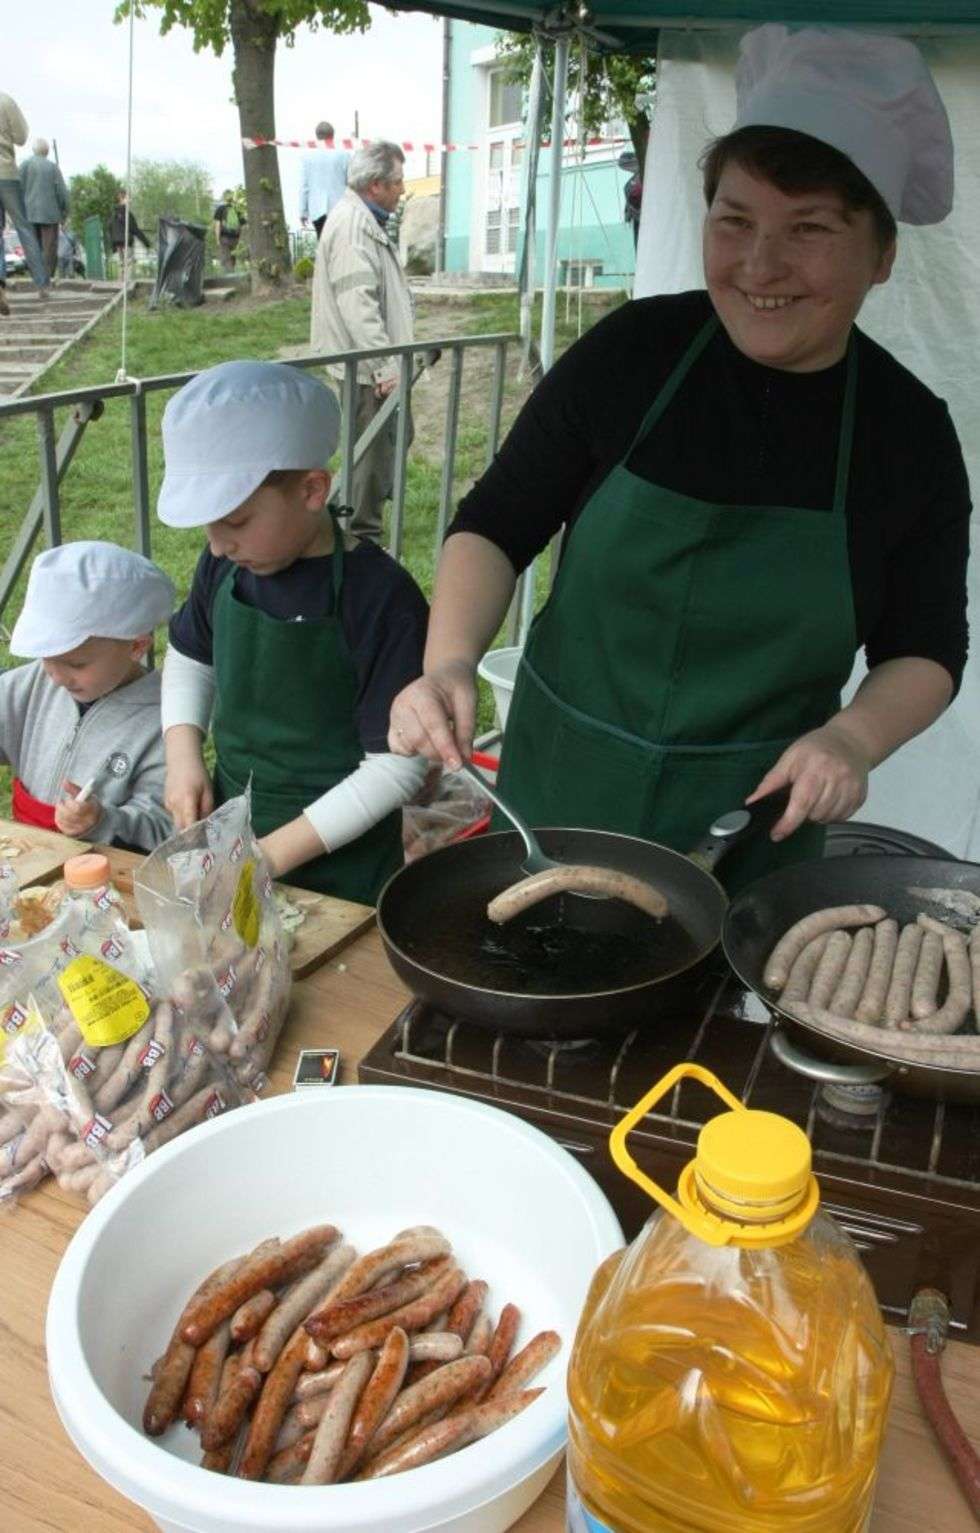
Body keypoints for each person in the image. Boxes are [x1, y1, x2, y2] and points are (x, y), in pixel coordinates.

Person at [388, 25, 971, 892]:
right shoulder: (633, 354)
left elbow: (925, 648)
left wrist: (853, 738)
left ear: (881, 255)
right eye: (734, 220)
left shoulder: (908, 433)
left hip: (745, 839)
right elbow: (496, 525)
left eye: (808, 228)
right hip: (552, 806)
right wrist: (446, 663)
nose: (760, 264)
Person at [157, 360, 429, 902]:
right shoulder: (224, 566)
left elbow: (398, 769)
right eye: (208, 525)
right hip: (234, 838)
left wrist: (268, 858)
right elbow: (190, 657)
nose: (216, 544)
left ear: (311, 489)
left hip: (342, 872)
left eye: (234, 522)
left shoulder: (381, 599)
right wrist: (182, 756)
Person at [1, 542, 175, 850]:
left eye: (76, 664)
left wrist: (102, 820)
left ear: (136, 646)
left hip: (102, 878)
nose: (55, 677)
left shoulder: (164, 722)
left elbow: (164, 826)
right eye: (46, 658)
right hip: (26, 854)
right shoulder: (34, 683)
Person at [311, 142, 413, 546]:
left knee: (392, 441)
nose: (402, 190)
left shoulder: (360, 219)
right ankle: (359, 539)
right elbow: (359, 307)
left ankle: (358, 524)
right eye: (397, 182)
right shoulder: (353, 226)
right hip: (368, 371)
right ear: (375, 186)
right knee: (370, 457)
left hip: (373, 365)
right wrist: (385, 367)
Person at [0, 90, 51, 308]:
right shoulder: (5, 101)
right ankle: (41, 283)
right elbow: (21, 138)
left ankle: (0, 285)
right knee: (23, 227)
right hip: (7, 173)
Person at [19, 138, 68, 280]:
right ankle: (47, 280)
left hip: (29, 214)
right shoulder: (53, 167)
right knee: (49, 250)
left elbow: (17, 190)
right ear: (47, 152)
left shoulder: (24, 166)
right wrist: (64, 213)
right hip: (50, 215)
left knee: (33, 247)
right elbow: (62, 193)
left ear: (34, 150)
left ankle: (37, 279)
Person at [300, 121, 351, 238]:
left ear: (316, 136)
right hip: (339, 208)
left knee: (322, 242)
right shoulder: (344, 155)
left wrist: (303, 212)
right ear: (333, 135)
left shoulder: (307, 158)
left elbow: (304, 187)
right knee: (340, 243)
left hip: (317, 209)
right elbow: (351, 182)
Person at [110, 189, 151, 260]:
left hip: (118, 245)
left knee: (122, 266)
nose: (130, 200)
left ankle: (123, 269)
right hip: (126, 243)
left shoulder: (114, 214)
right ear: (121, 198)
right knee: (129, 264)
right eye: (128, 198)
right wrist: (147, 243)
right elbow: (135, 230)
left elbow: (110, 228)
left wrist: (113, 246)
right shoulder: (126, 214)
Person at [212, 189, 245, 271]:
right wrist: (240, 238)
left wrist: (217, 240)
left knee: (226, 260)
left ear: (224, 198)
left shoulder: (220, 209)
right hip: (235, 238)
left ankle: (230, 277)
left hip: (224, 239)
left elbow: (217, 225)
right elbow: (243, 225)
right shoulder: (237, 209)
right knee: (233, 259)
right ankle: (234, 276)